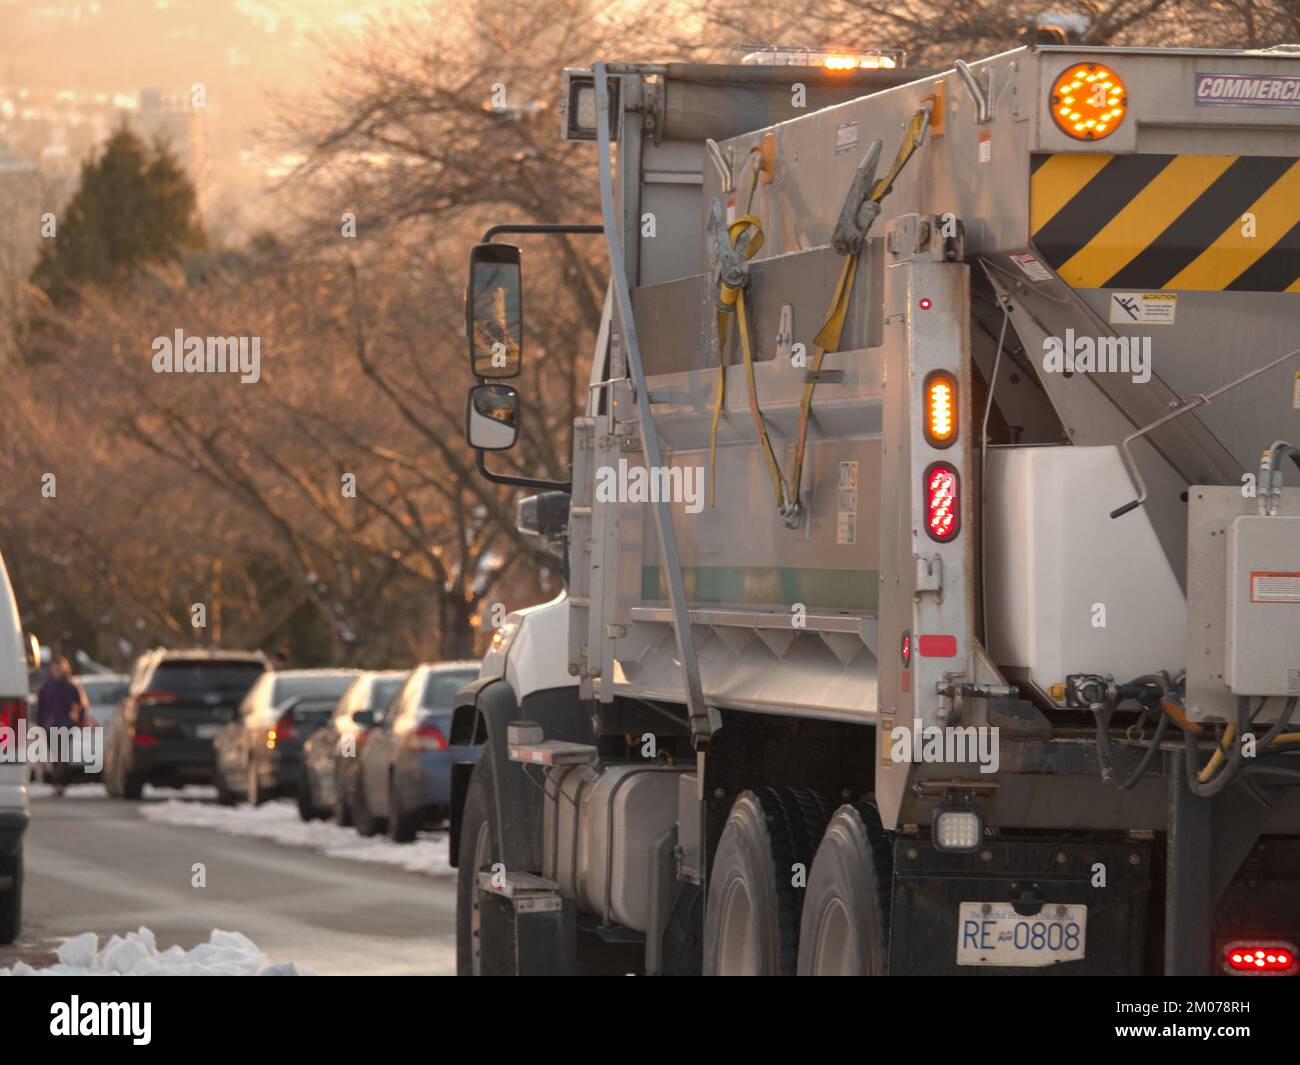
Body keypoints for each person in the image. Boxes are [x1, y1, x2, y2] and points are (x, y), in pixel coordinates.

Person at [35, 656, 90, 797]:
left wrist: (77, 721)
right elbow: (40, 708)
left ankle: (59, 782)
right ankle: (57, 781)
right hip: (49, 726)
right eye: (54, 667)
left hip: (66, 725)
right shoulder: (46, 687)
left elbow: (81, 706)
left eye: (59, 667)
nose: (57, 670)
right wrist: (40, 725)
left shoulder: (71, 686)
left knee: (62, 755)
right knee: (55, 755)